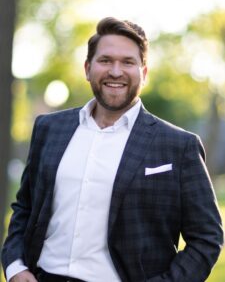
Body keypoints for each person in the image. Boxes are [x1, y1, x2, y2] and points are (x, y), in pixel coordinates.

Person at [1, 17, 224, 282]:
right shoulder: (50, 128)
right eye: (105, 60)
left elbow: (207, 238)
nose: (115, 71)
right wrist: (15, 266)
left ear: (144, 72)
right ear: (87, 68)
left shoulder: (178, 145)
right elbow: (25, 207)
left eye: (128, 62)